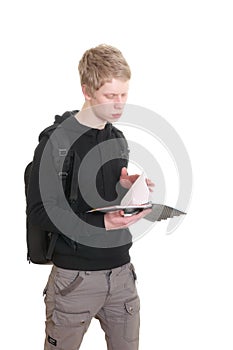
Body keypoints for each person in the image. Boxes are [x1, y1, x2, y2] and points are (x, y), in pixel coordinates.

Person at [27, 44, 154, 350]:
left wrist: (127, 189)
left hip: (122, 274)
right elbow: (40, 212)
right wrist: (102, 225)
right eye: (111, 96)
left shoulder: (117, 139)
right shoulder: (56, 142)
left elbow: (102, 200)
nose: (119, 104)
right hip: (75, 279)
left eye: (124, 94)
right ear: (86, 90)